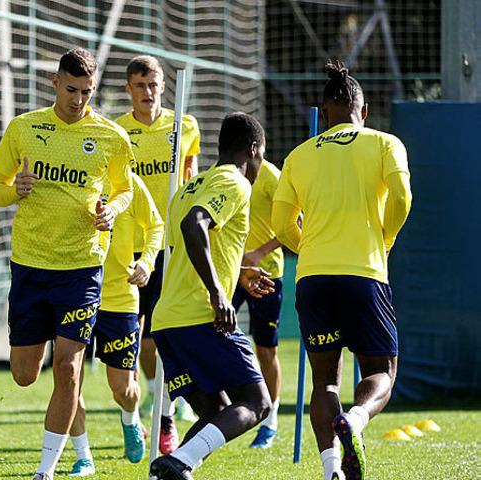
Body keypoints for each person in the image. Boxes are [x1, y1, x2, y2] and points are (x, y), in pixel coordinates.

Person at [0, 47, 133, 480]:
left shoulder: (110, 137)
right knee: (24, 375)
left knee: (69, 365)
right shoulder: (24, 128)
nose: (79, 100)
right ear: (55, 82)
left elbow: (125, 190)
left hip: (83, 266)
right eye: (72, 90)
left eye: (87, 92)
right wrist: (17, 188)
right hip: (31, 266)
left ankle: (46, 470)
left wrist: (113, 209)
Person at [272, 61, 412, 480]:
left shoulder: (298, 156)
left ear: (324, 112)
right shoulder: (386, 143)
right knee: (380, 372)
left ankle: (333, 469)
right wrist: (383, 240)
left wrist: (309, 250)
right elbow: (403, 199)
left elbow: (281, 227)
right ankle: (356, 419)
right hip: (364, 274)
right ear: (363, 111)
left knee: (324, 382)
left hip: (312, 278)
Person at [148, 112, 275, 480]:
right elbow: (195, 225)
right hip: (201, 316)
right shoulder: (233, 182)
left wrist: (238, 273)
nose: (260, 165)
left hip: (169, 320)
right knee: (256, 403)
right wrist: (219, 292)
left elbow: (194, 246)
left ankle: (165, 472)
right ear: (252, 150)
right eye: (261, 156)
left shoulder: (190, 186)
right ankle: (176, 463)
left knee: (216, 416)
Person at [114, 55, 201, 453]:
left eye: (154, 84)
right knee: (139, 336)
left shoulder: (184, 124)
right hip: (130, 245)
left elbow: (191, 176)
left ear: (164, 85)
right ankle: (149, 394)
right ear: (128, 89)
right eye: (140, 85)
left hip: (171, 245)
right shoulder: (117, 131)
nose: (148, 92)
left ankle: (167, 413)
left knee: (169, 330)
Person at [66, 173, 163, 475]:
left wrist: (146, 262)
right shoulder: (68, 176)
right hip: (72, 293)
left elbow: (156, 226)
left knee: (122, 389)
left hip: (120, 297)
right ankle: (83, 456)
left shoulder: (129, 183)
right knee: (68, 379)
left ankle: (131, 418)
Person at [231, 158, 286, 449]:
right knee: (214, 331)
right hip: (231, 271)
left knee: (266, 349)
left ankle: (270, 421)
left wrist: (259, 252)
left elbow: (295, 224)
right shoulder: (228, 173)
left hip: (267, 273)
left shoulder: (272, 177)